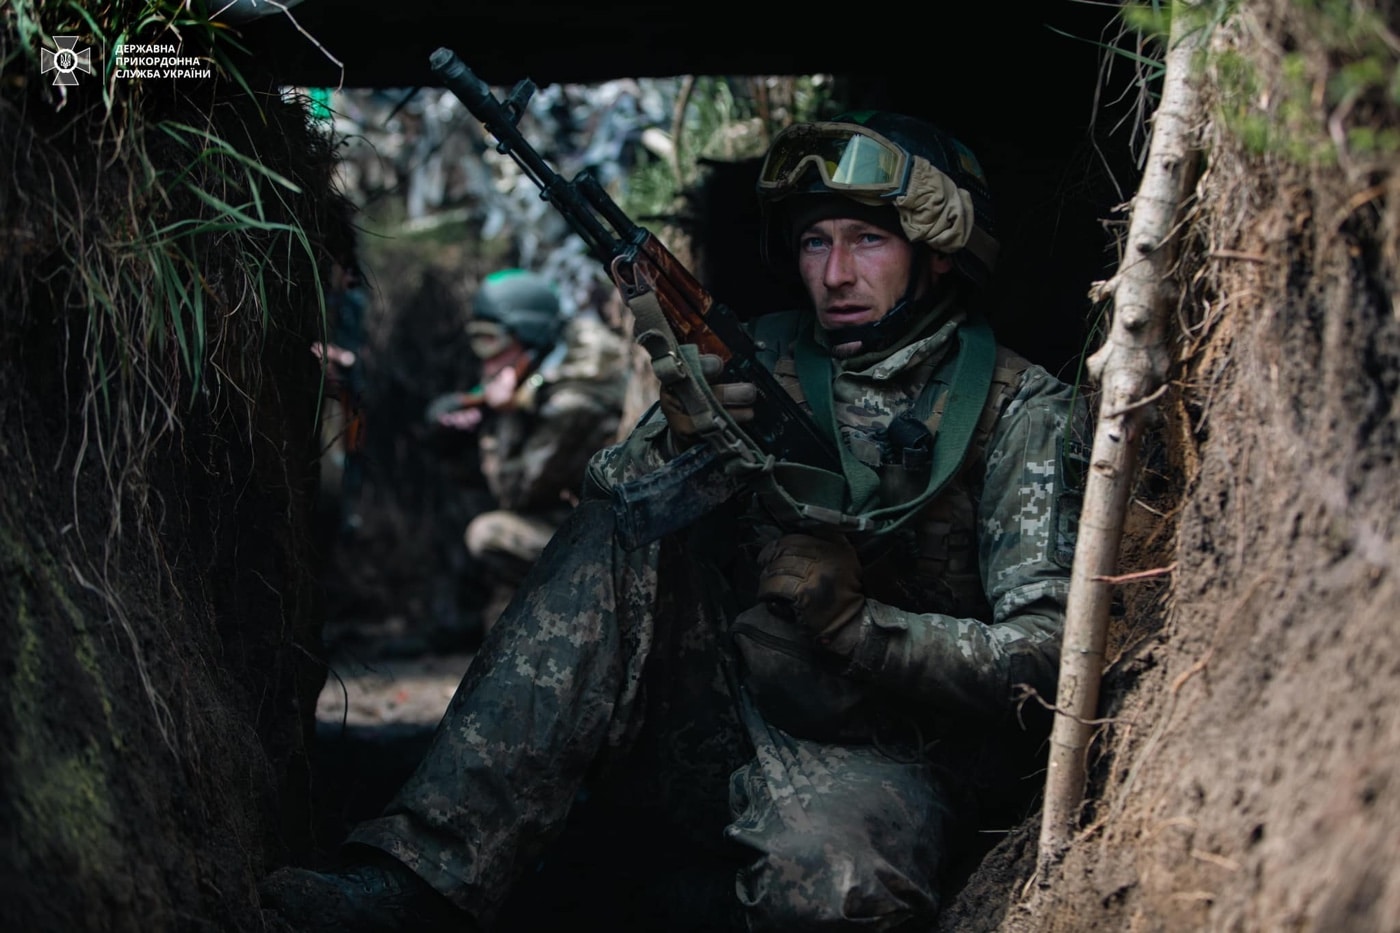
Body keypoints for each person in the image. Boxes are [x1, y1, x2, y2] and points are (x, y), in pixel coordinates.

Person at [261, 111, 1089, 932]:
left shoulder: (1019, 412)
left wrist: (865, 630)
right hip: (714, 706)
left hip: (880, 749)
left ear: (938, 251)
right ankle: (422, 876)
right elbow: (607, 511)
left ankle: (649, 885)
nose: (835, 273)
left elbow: (1053, 652)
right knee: (622, 525)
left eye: (866, 241)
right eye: (814, 242)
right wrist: (677, 446)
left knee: (832, 896)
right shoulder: (748, 361)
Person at [423, 268, 632, 631]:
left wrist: (499, 418)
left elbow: (514, 492)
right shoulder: (555, 365)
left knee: (490, 534)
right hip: (586, 517)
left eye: (492, 341)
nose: (485, 359)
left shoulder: (575, 397)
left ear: (529, 337)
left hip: (621, 545)